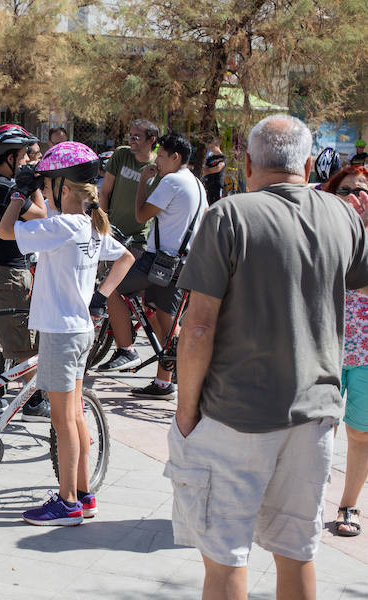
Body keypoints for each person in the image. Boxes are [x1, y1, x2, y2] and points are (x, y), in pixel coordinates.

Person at [169, 114, 368, 599]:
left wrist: (186, 411)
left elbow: (197, 328)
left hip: (233, 414)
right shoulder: (342, 215)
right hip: (314, 415)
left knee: (225, 562)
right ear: (306, 163)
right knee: (297, 555)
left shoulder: (229, 215)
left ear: (247, 162)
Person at [0, 141, 134, 525]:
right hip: (79, 330)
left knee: (63, 421)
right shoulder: (89, 225)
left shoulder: (62, 226)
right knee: (74, 416)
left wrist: (21, 194)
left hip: (59, 332)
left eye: (51, 184)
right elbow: (126, 257)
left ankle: (68, 501)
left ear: (66, 189)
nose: (47, 191)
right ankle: (85, 495)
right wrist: (101, 299)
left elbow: (5, 231)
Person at [98, 133, 206, 401]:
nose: (157, 159)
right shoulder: (196, 183)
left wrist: (144, 182)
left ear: (175, 157)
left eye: (161, 155)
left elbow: (141, 215)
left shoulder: (170, 181)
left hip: (157, 260)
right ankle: (163, 382)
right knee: (163, 320)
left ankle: (126, 349)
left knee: (110, 289)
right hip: (182, 263)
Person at [0, 124, 49, 419]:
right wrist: (34, 186)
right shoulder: (8, 189)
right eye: (24, 156)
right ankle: (32, 400)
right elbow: (40, 214)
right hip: (10, 274)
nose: (27, 161)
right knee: (21, 343)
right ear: (11, 157)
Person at [324, 164, 368, 537]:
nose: (356, 198)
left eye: (364, 192)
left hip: (367, 356)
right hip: (324, 348)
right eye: (347, 191)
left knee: (361, 434)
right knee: (320, 430)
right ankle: (306, 499)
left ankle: (349, 505)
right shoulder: (322, 233)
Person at [100, 119, 160, 247]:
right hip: (112, 232)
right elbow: (105, 192)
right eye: (130, 136)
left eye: (136, 137)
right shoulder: (121, 154)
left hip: (139, 239)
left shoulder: (158, 167)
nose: (131, 140)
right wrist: (103, 226)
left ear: (151, 140)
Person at [202, 137, 226, 205]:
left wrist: (208, 170)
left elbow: (218, 168)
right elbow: (204, 169)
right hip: (209, 184)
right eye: (210, 148)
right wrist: (210, 170)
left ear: (218, 145)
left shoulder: (223, 157)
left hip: (217, 185)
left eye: (212, 147)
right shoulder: (210, 158)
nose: (211, 150)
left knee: (217, 203)